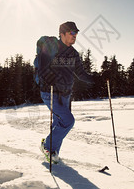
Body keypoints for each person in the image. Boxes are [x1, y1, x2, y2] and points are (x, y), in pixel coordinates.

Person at [35, 21, 93, 163]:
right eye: (72, 33)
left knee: (59, 122)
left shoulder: (73, 54)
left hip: (66, 93)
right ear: (62, 34)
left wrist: (99, 79)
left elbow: (81, 74)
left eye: (76, 33)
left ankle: (53, 153)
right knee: (68, 120)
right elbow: (41, 68)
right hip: (50, 93)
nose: (75, 36)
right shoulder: (50, 48)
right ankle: (47, 146)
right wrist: (49, 78)